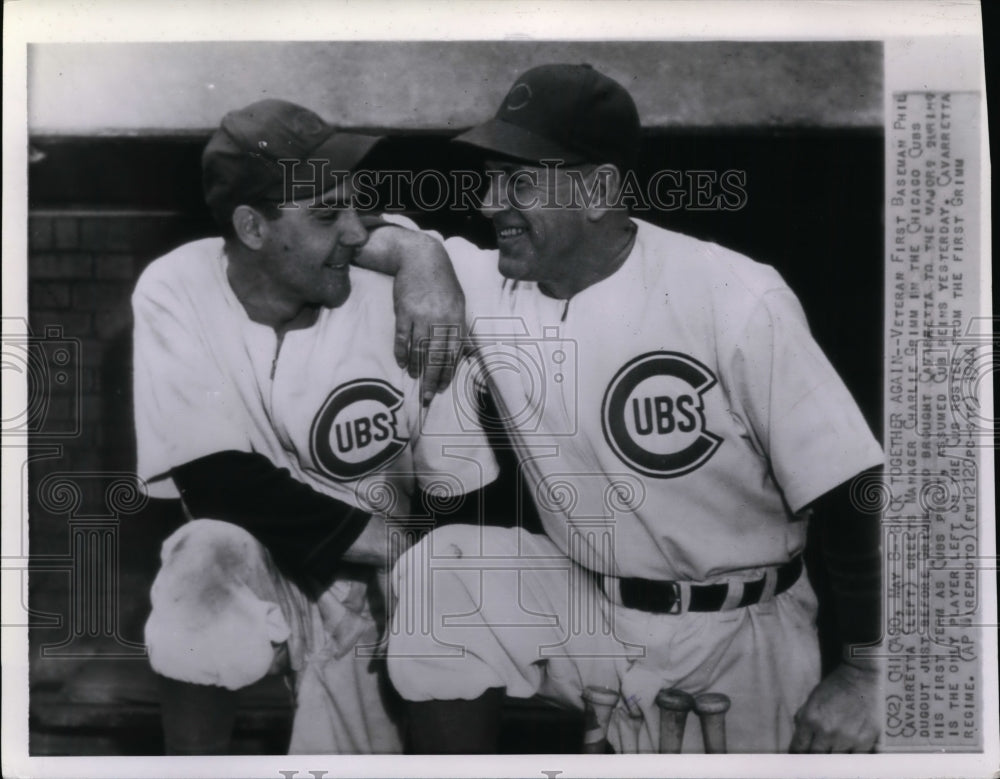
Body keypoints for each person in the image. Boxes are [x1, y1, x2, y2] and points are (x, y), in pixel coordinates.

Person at [370, 64, 884, 753]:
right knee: (444, 574)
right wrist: (420, 253)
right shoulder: (488, 283)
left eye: (518, 181)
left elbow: (855, 489)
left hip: (739, 624)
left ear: (599, 190)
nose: (492, 203)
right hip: (595, 606)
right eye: (489, 179)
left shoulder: (731, 295)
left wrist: (867, 670)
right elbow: (345, 228)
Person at [134, 99, 496, 754]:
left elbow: (460, 491)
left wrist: (421, 251)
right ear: (251, 226)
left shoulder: (401, 301)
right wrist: (388, 542)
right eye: (328, 214)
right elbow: (217, 481)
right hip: (268, 559)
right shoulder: (176, 286)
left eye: (357, 206)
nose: (356, 233)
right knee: (200, 553)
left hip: (376, 586)